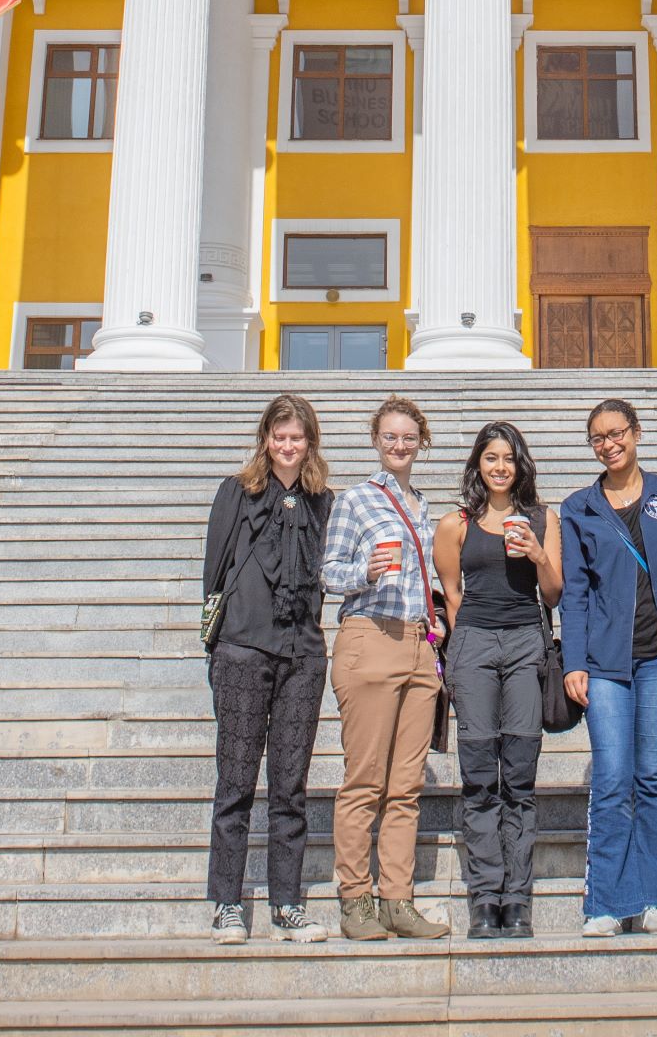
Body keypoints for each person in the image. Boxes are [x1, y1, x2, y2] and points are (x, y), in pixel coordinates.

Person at [556, 398, 657, 939]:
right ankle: (607, 902)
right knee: (613, 778)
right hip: (607, 664)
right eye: (598, 438)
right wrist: (574, 662)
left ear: (636, 433)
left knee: (655, 775)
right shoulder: (579, 507)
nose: (609, 444)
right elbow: (574, 594)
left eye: (617, 433)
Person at [200, 394, 337, 946]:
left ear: (310, 443)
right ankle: (227, 903)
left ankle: (286, 903)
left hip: (302, 654)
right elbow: (214, 568)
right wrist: (217, 643)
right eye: (279, 436)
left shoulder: (323, 501)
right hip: (242, 648)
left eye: (297, 437)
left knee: (290, 786)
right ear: (265, 438)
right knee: (235, 781)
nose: (287, 445)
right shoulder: (236, 492)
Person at [316, 396, 450, 941]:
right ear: (376, 439)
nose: (399, 445)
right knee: (365, 780)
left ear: (421, 442)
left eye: (409, 437)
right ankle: (355, 898)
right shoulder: (355, 501)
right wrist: (364, 572)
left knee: (405, 785)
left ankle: (397, 897)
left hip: (419, 645)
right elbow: (327, 572)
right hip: (369, 638)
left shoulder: (423, 506)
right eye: (391, 436)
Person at [433, 422, 563, 938]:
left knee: (520, 778)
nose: (500, 467)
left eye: (508, 458)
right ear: (478, 465)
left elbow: (553, 593)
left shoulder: (541, 518)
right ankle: (485, 898)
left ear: (520, 464)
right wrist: (468, 649)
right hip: (476, 647)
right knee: (481, 775)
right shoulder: (456, 524)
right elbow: (451, 594)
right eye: (490, 458)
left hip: (527, 641)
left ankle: (519, 899)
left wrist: (536, 553)